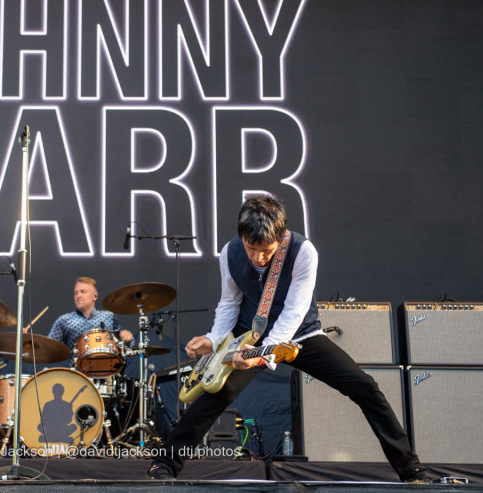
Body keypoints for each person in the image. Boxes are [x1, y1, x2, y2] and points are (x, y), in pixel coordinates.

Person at [145, 195, 432, 484]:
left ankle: (411, 469)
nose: (258, 258)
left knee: (365, 388)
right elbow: (230, 303)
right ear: (241, 237)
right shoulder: (230, 252)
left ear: (281, 237)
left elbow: (294, 313)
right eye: (251, 248)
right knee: (213, 397)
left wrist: (262, 353)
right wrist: (214, 337)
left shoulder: (303, 252)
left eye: (266, 251)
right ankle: (164, 466)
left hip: (300, 334)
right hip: (250, 336)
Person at [48, 277, 133, 366]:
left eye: (83, 292)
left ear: (95, 296)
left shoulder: (109, 316)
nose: (78, 296)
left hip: (108, 369)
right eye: (75, 293)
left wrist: (126, 337)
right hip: (77, 374)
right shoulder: (64, 320)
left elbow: (125, 346)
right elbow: (49, 347)